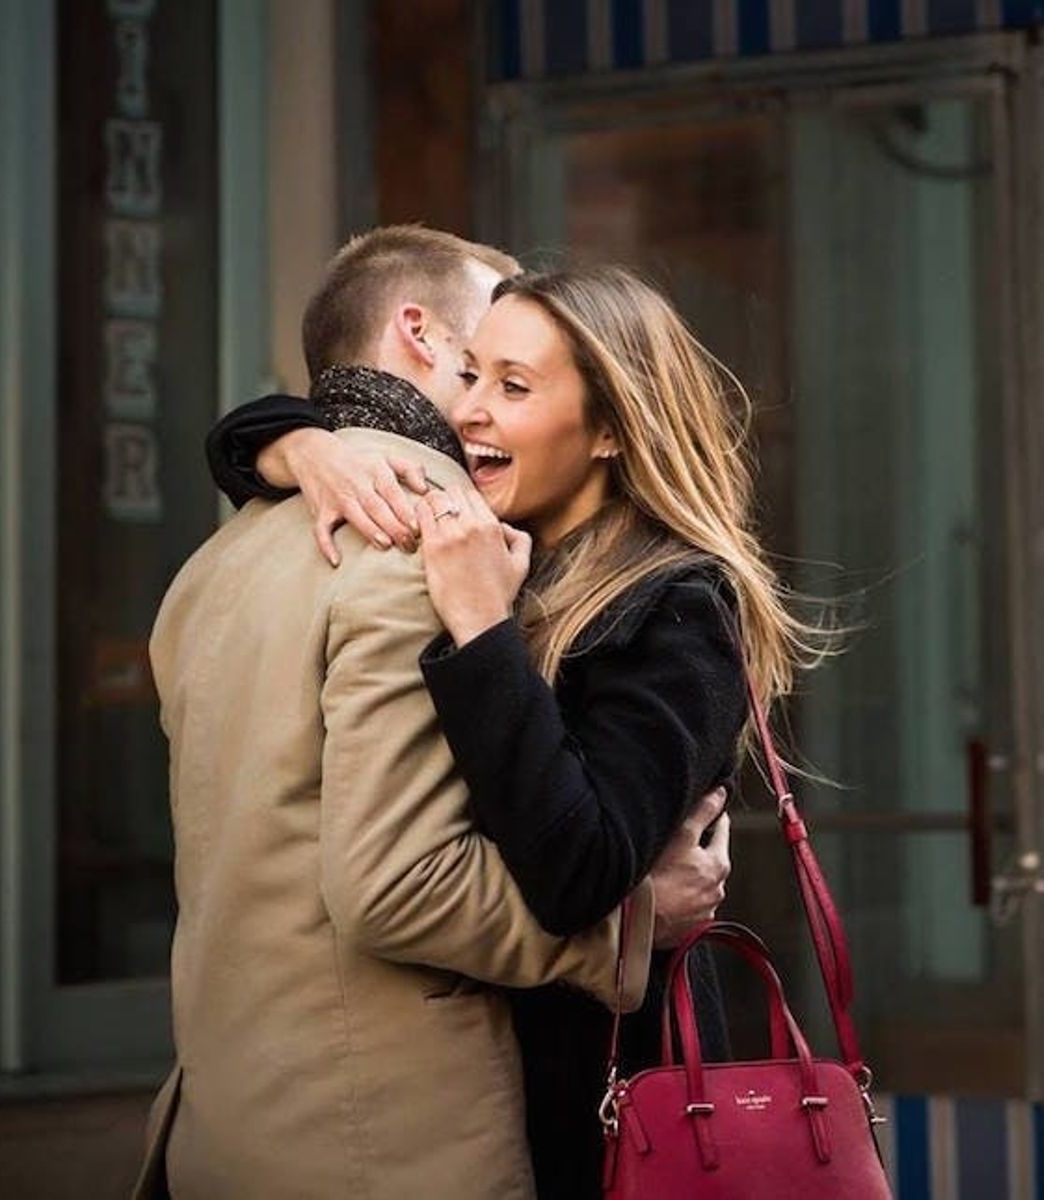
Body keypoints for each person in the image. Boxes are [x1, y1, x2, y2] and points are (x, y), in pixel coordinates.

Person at [134, 227, 729, 1200]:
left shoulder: (213, 567)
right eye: (476, 366)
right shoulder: (427, 532)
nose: (482, 407)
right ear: (420, 335)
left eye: (516, 381)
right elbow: (394, 885)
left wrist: (286, 442)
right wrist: (632, 929)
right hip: (383, 1134)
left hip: (232, 1120)